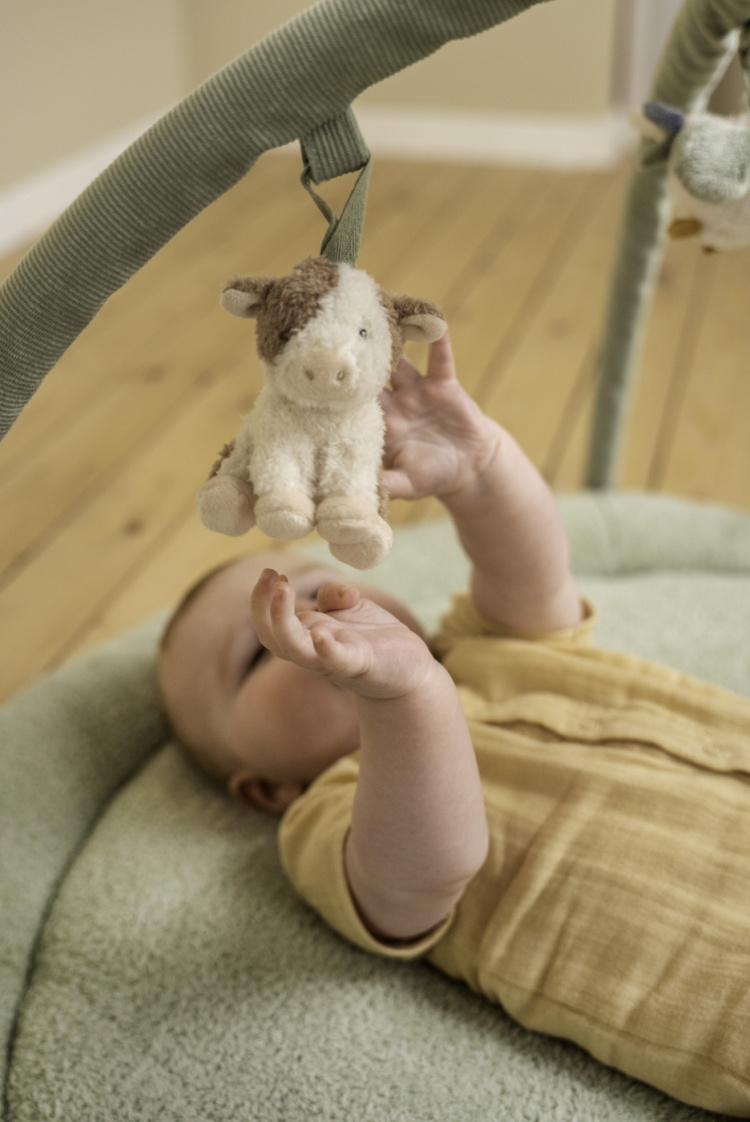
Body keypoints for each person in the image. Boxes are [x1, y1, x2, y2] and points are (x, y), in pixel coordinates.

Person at [158, 334, 750, 1116]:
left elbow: (533, 570)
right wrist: (406, 698)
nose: (306, 622)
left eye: (315, 589)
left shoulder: (492, 649)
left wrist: (481, 472)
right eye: (258, 655)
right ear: (266, 788)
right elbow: (426, 875)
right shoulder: (333, 816)